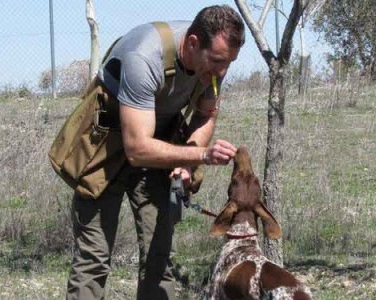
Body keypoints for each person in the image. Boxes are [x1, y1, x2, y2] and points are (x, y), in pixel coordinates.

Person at [65, 5, 245, 300]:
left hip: (160, 148)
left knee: (160, 254)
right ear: (192, 44)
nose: (222, 72)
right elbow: (136, 148)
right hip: (105, 149)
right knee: (93, 259)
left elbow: (205, 114)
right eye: (217, 61)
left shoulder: (213, 64)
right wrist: (200, 156)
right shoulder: (144, 55)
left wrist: (186, 160)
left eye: (229, 63)